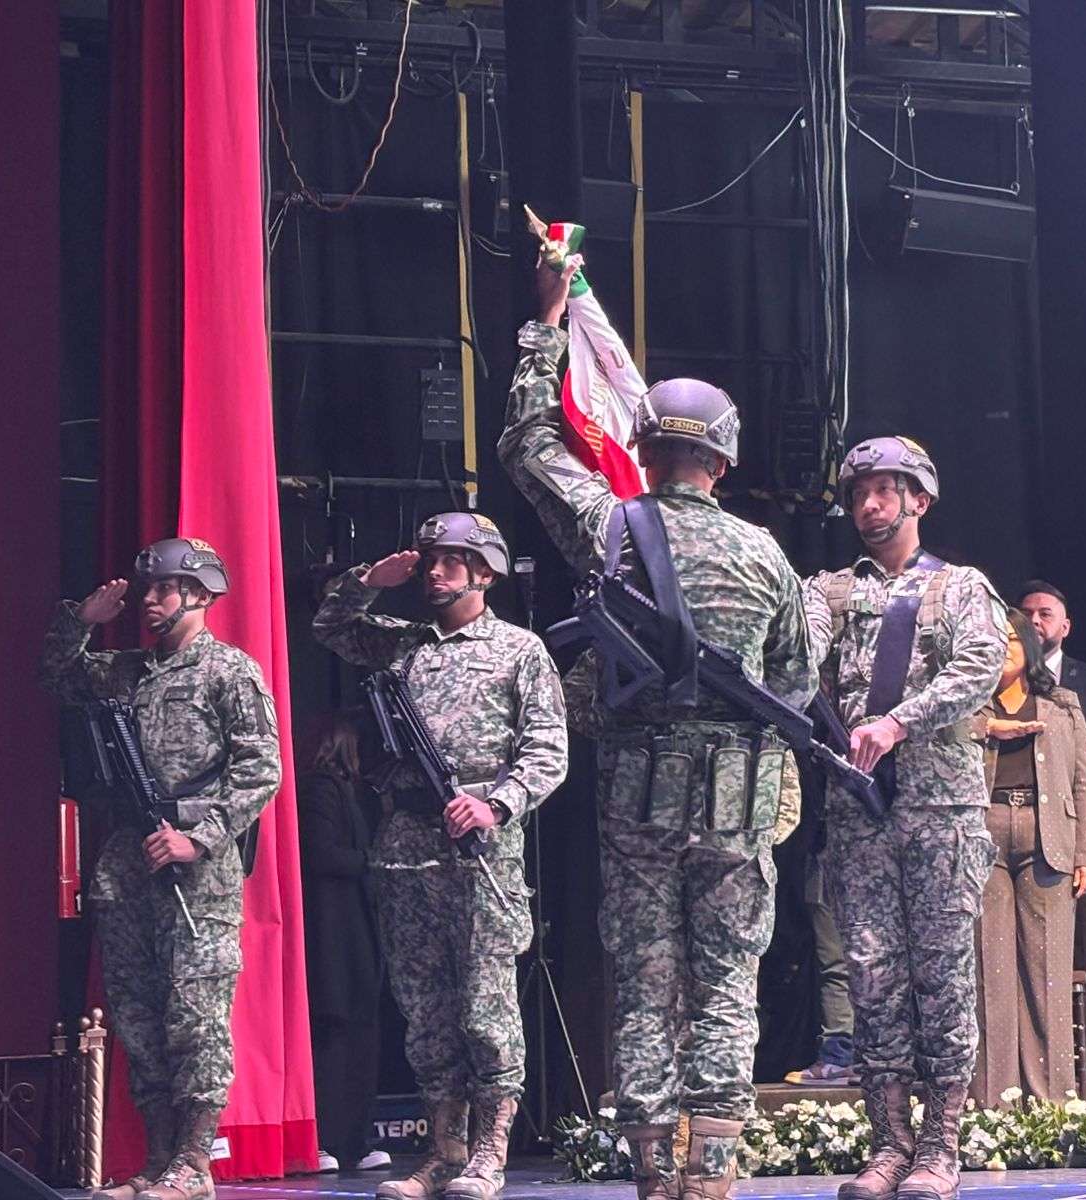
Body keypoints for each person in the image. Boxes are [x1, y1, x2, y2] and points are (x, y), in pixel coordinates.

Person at [498, 247, 816, 1200]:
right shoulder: (766, 555)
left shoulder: (611, 525)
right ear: (724, 459)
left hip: (636, 791)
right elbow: (796, 681)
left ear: (644, 446)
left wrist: (546, 326)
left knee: (642, 979)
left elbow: (527, 447)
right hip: (739, 798)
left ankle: (650, 1169)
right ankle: (712, 1170)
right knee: (726, 980)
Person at [313, 512, 569, 1200]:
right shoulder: (401, 645)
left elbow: (549, 749)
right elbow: (330, 626)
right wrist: (369, 580)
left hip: (479, 852)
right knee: (425, 1012)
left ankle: (489, 1152)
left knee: (486, 1010)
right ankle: (445, 1151)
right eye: (430, 559)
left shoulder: (519, 651)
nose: (435, 570)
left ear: (485, 571)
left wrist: (498, 803)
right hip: (406, 847)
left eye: (452, 560)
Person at [40, 539, 281, 1200]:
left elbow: (261, 770)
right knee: (138, 1018)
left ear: (200, 594)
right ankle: (157, 1161)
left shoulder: (230, 672)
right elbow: (56, 676)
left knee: (195, 1018)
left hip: (195, 874)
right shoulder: (127, 670)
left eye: (164, 588)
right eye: (146, 588)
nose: (149, 599)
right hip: (128, 860)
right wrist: (81, 621)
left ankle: (194, 1163)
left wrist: (198, 839)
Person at [804, 436, 1006, 1200]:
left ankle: (939, 1148)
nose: (869, 504)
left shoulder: (960, 588)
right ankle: (888, 1146)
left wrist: (898, 721)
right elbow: (794, 660)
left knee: (943, 980)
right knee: (872, 979)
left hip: (940, 812)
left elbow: (979, 667)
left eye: (885, 490)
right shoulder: (829, 592)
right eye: (859, 493)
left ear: (919, 498)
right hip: (861, 816)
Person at [971, 612, 1086, 1106]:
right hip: (984, 835)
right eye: (991, 640)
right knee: (990, 971)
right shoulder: (969, 707)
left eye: (1009, 638)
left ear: (1028, 645)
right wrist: (986, 727)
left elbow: (1084, 780)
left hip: (1047, 835)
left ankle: (1053, 1100)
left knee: (1047, 970)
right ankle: (995, 1102)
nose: (1002, 647)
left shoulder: (1062, 704)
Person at [1016, 582, 1086, 1080]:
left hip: (1080, 834)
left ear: (1065, 626)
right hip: (1023, 832)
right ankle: (1030, 1057)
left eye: (1045, 613)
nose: (1034, 621)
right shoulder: (1001, 679)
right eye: (1026, 613)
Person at [297, 714, 389, 1176]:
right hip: (333, 931)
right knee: (334, 1033)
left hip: (358, 930)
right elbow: (320, 853)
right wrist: (375, 862)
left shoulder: (355, 793)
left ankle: (356, 1139)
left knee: (362, 1033)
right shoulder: (321, 789)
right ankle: (325, 1138)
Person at [784, 850, 859, 1086]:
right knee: (836, 966)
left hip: (872, 860)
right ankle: (839, 1058)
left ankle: (846, 1058)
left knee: (853, 967)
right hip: (826, 856)